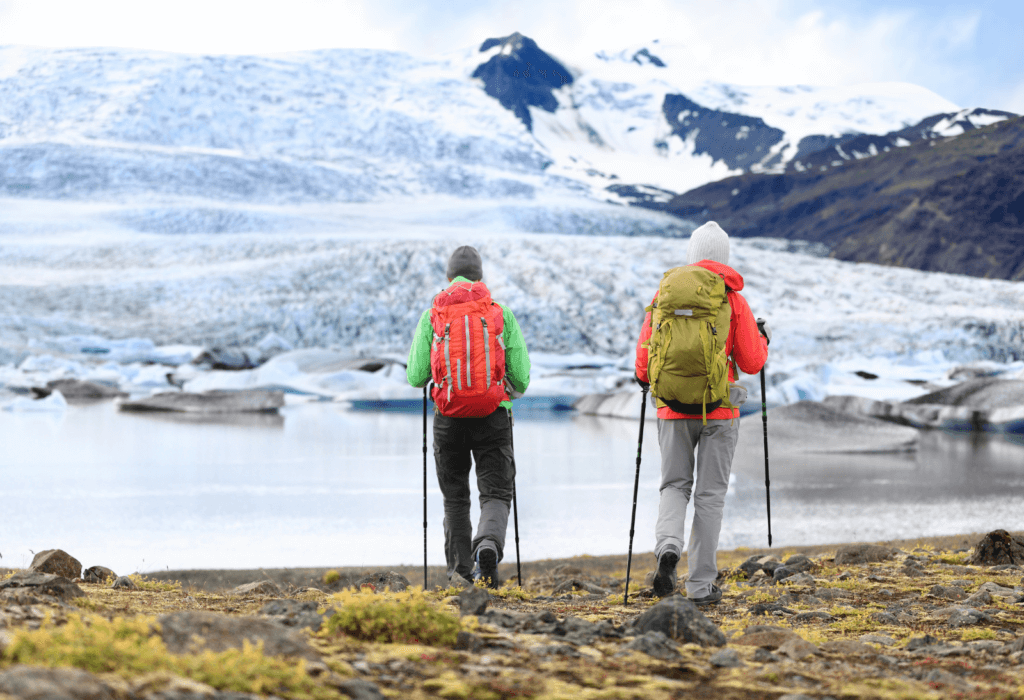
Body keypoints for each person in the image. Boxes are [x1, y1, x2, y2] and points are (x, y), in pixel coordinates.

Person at [634, 221, 770, 604]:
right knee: (710, 496)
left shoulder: (664, 295)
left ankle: (667, 549)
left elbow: (643, 363)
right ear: (723, 257)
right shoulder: (732, 300)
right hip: (720, 412)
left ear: (692, 254)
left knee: (674, 486)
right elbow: (752, 360)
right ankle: (700, 585)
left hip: (672, 411)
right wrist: (763, 338)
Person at [407, 245, 531, 588]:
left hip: (448, 419)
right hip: (494, 416)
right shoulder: (499, 313)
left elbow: (416, 376)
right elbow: (521, 377)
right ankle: (488, 546)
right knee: (495, 492)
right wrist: (505, 390)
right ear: (480, 277)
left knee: (455, 498)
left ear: (449, 277)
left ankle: (460, 575)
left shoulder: (433, 315)